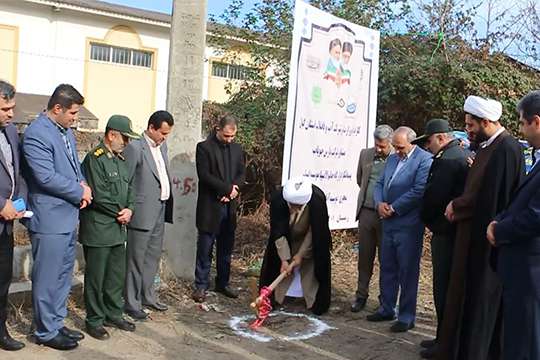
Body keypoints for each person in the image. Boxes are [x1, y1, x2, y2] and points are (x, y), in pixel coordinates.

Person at [437, 96, 525, 360]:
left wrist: (459, 205)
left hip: (487, 246)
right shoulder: (488, 146)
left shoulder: (507, 148)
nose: (467, 130)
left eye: (470, 125)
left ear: (486, 121)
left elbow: (493, 199)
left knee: (481, 305)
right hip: (472, 239)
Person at [22, 84, 90, 350]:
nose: (75, 118)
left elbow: (75, 167)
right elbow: (45, 176)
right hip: (48, 217)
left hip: (67, 215)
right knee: (48, 277)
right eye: (72, 112)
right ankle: (44, 331)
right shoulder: (37, 134)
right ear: (57, 108)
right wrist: (78, 191)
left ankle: (55, 322)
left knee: (62, 275)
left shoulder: (66, 132)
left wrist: (84, 186)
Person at [487, 90, 540, 360]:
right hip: (522, 270)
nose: (520, 128)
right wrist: (499, 218)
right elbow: (522, 201)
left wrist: (499, 230)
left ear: (536, 122)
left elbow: (535, 216)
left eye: (521, 122)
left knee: (526, 342)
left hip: (530, 273)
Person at [366, 126, 432, 332]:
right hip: (388, 222)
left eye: (400, 146)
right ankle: (387, 308)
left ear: (412, 142)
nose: (396, 150)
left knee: (407, 271)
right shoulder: (393, 158)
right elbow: (379, 183)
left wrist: (394, 208)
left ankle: (406, 316)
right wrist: (379, 204)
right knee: (387, 266)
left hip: (408, 224)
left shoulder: (424, 160)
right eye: (394, 146)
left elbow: (419, 190)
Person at [413, 119, 469, 359]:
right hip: (452, 232)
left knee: (443, 288)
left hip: (445, 233)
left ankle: (444, 344)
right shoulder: (459, 155)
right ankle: (442, 338)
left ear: (440, 138)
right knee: (446, 287)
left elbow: (434, 197)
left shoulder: (448, 160)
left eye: (428, 141)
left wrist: (428, 220)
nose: (427, 147)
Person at [79, 115, 139, 340]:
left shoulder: (120, 160)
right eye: (125, 137)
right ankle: (94, 319)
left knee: (115, 275)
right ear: (112, 134)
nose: (127, 142)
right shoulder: (95, 159)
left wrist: (130, 209)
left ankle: (113, 313)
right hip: (99, 228)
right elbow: (99, 195)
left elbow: (130, 187)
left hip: (117, 228)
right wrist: (120, 212)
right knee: (96, 277)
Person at [123, 110, 174, 321]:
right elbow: (126, 180)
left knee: (152, 258)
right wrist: (129, 207)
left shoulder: (162, 147)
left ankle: (148, 296)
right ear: (151, 128)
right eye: (162, 132)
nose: (165, 137)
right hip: (142, 212)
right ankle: (131, 302)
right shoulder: (135, 148)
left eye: (167, 133)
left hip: (160, 209)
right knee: (136, 259)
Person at [258, 177, 332, 315]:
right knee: (278, 267)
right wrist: (285, 259)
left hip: (309, 239)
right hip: (287, 237)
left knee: (311, 268)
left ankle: (313, 300)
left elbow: (314, 233)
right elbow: (278, 231)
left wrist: (300, 254)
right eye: (292, 205)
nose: (294, 209)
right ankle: (276, 298)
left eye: (298, 207)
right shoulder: (278, 200)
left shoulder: (317, 201)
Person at [192, 115, 245, 303]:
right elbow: (204, 175)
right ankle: (201, 285)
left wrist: (234, 190)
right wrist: (226, 189)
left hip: (229, 206)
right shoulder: (204, 148)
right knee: (205, 247)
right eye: (226, 136)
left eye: (232, 136)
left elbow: (241, 172)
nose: (229, 140)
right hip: (210, 206)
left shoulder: (237, 149)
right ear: (217, 129)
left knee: (226, 248)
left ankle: (223, 282)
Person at [351, 124, 394, 313]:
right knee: (364, 258)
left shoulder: (398, 157)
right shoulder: (365, 154)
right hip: (367, 213)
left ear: (391, 142)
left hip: (387, 216)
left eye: (382, 146)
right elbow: (360, 179)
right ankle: (361, 296)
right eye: (376, 144)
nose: (378, 149)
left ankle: (386, 300)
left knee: (387, 260)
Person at [0, 80, 26, 352]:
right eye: (5, 108)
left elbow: (17, 172)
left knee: (3, 282)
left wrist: (20, 200)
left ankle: (1, 330)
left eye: (12, 107)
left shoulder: (11, 133)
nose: (11, 113)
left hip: (6, 226)